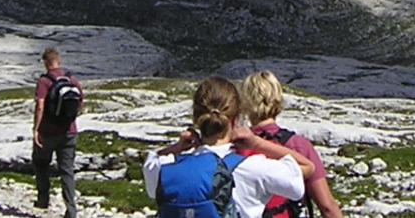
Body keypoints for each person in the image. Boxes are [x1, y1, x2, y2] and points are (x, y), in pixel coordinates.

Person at [145, 75, 313, 218]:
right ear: (236, 119)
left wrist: (176, 148)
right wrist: (257, 142)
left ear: (196, 119)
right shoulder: (252, 168)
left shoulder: (165, 168)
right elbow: (307, 167)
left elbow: (150, 164)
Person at [241, 71, 343, 218]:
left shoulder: (235, 146)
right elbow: (327, 207)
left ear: (245, 103)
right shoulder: (298, 145)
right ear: (278, 100)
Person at [32, 47, 82, 218]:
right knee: (67, 170)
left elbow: (40, 106)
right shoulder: (71, 79)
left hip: (48, 131)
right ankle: (71, 210)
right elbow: (80, 102)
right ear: (58, 60)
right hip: (69, 131)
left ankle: (43, 199)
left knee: (40, 163)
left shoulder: (44, 81)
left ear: (46, 62)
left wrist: (36, 129)